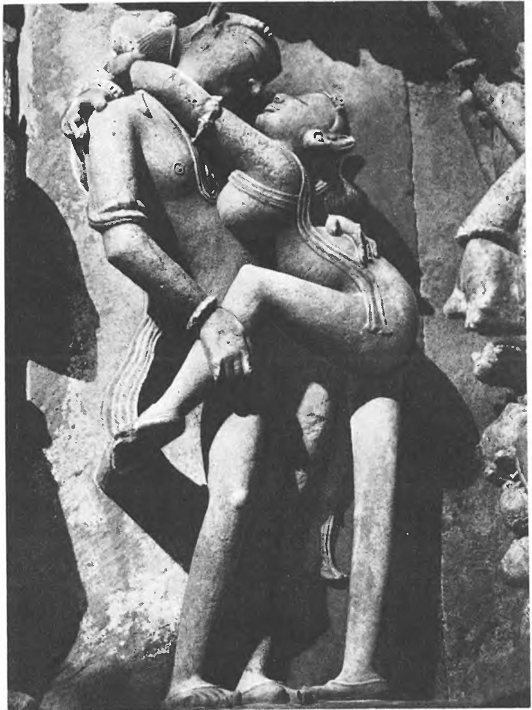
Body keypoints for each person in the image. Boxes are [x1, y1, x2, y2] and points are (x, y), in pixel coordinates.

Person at [103, 57, 419, 704]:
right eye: (249, 65)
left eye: (290, 97)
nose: (264, 92)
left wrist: (139, 63)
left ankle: (171, 407)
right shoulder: (302, 191)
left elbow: (198, 105)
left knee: (253, 293)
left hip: (356, 320)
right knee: (312, 496)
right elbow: (126, 238)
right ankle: (346, 671)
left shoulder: (281, 167)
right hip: (311, 333)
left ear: (320, 138)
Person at [63, 7, 346, 708]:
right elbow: (123, 241)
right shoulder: (120, 120)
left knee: (267, 494)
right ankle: (191, 674)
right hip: (193, 334)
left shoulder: (225, 125)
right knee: (195, 484)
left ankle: (237, 670)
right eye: (246, 60)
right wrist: (207, 317)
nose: (251, 83)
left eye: (258, 77)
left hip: (267, 333)